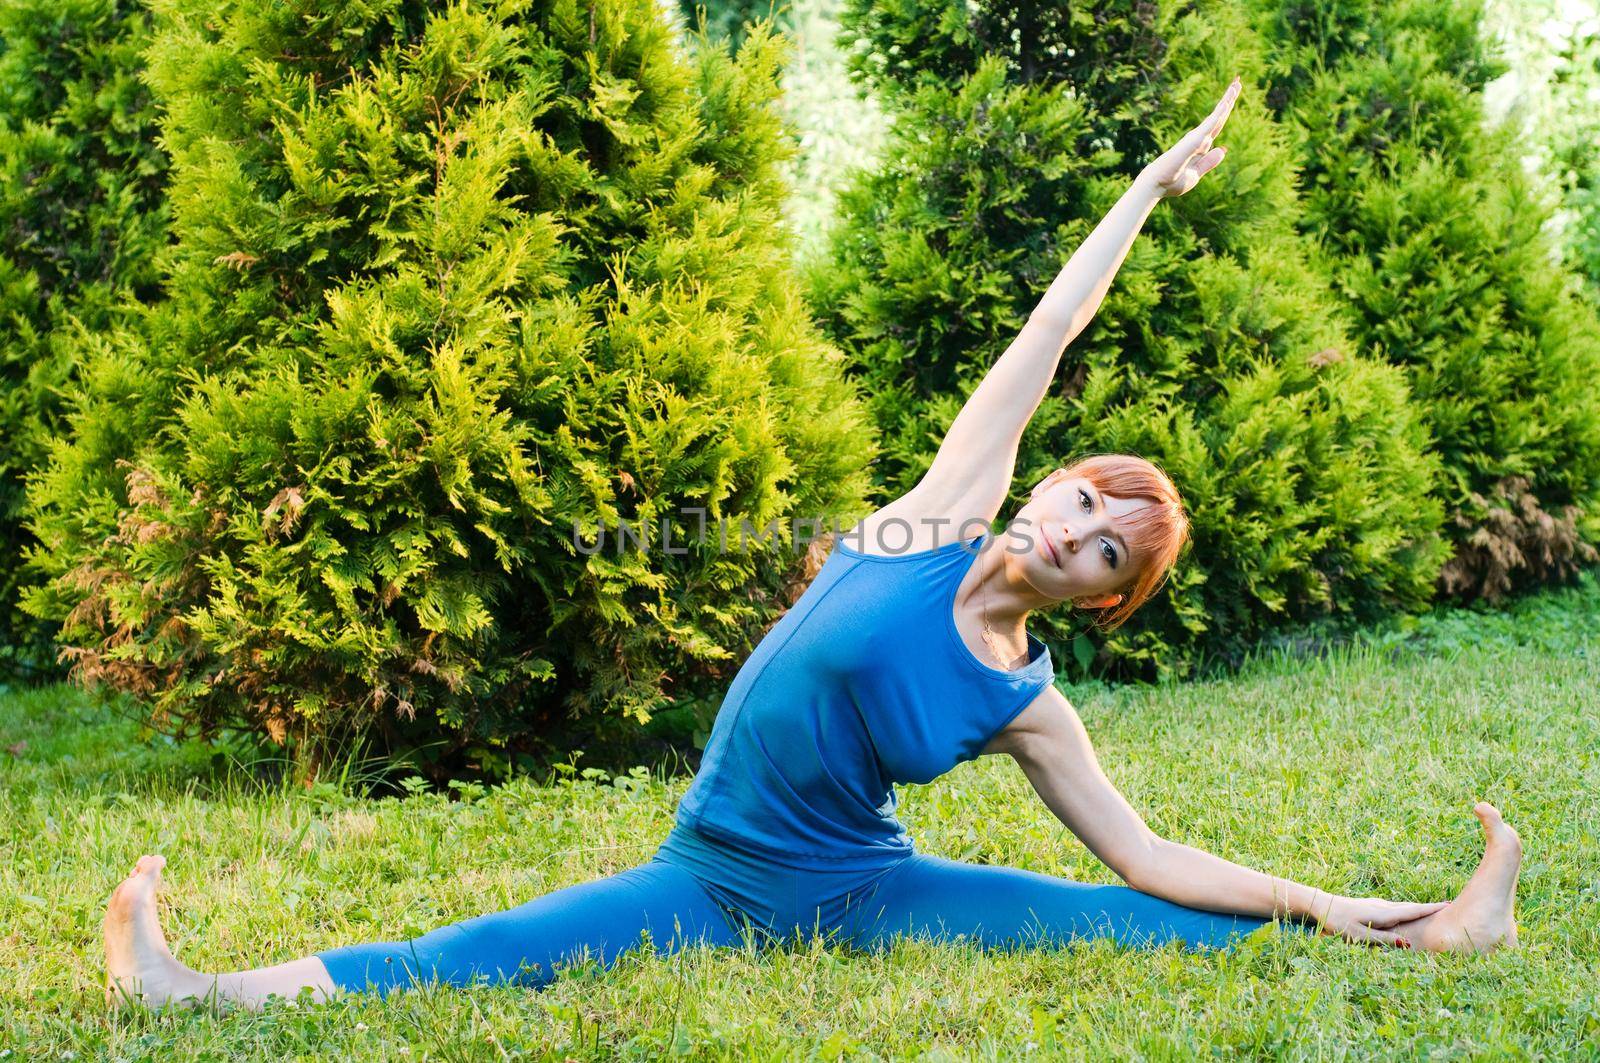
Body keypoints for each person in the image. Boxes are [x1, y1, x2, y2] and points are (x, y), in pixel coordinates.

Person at [103, 77, 1522, 1010]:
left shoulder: (1026, 701)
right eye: (1088, 497)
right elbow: (1051, 332)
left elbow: (1148, 855)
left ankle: (1430, 927)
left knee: (1135, 921)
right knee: (466, 958)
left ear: (1101, 603)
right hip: (710, 871)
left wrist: (1332, 902)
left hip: (865, 883)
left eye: (1105, 551)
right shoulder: (942, 511)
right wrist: (1145, 192)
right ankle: (187, 988)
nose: (1076, 527)